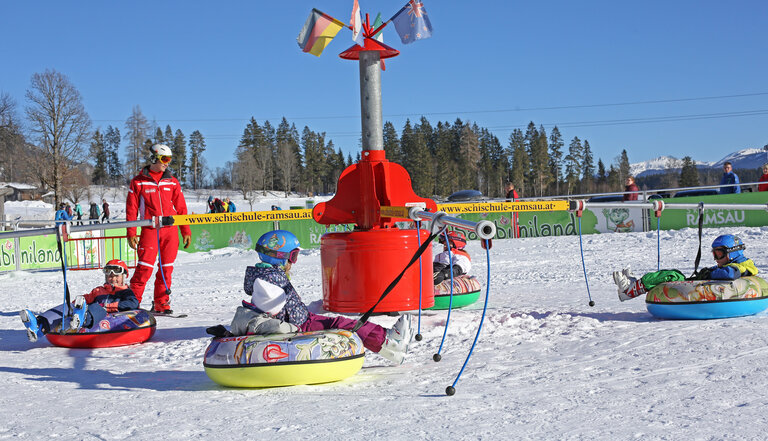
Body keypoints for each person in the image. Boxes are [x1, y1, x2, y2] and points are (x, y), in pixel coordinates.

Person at [210, 230, 415, 364]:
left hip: (305, 319)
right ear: (280, 256)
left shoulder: (269, 275)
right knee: (343, 324)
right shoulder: (266, 281)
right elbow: (271, 307)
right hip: (301, 326)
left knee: (339, 321)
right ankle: (387, 342)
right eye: (293, 257)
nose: (293, 262)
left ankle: (387, 340)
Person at [126, 144, 191, 314]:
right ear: (154, 158)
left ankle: (161, 303)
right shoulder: (138, 181)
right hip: (149, 229)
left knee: (166, 268)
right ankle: (133, 302)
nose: (167, 164)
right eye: (164, 159)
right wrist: (131, 232)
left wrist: (185, 230)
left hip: (170, 231)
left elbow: (181, 208)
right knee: (144, 268)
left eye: (169, 160)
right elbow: (131, 209)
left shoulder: (172, 181)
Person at [19, 259, 139, 342]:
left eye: (116, 276)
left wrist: (108, 306)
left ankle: (83, 318)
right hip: (87, 312)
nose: (113, 279)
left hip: (105, 316)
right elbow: (85, 299)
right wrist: (75, 304)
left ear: (124, 277)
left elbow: (133, 303)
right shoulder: (98, 291)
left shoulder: (125, 291)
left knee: (99, 308)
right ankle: (39, 326)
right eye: (110, 276)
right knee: (68, 306)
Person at [612, 234, 757, 302]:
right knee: (673, 275)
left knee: (673, 276)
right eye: (714, 254)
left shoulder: (740, 266)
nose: (716, 258)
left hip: (701, 290)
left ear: (732, 253)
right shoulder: (739, 263)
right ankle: (635, 285)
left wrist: (709, 273)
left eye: (719, 254)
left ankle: (628, 291)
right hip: (700, 285)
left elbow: (730, 274)